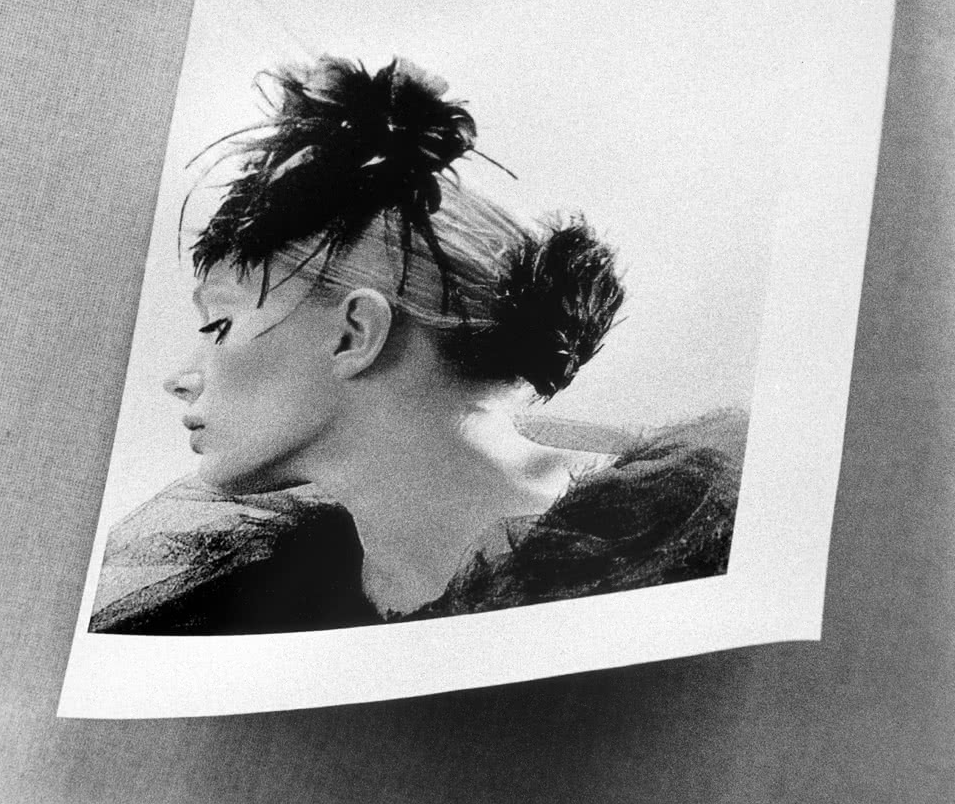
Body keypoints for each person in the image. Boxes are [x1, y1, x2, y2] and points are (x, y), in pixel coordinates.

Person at [90, 56, 744, 635]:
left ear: (354, 333)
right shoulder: (269, 592)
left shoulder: (676, 550)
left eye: (219, 326)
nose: (180, 378)